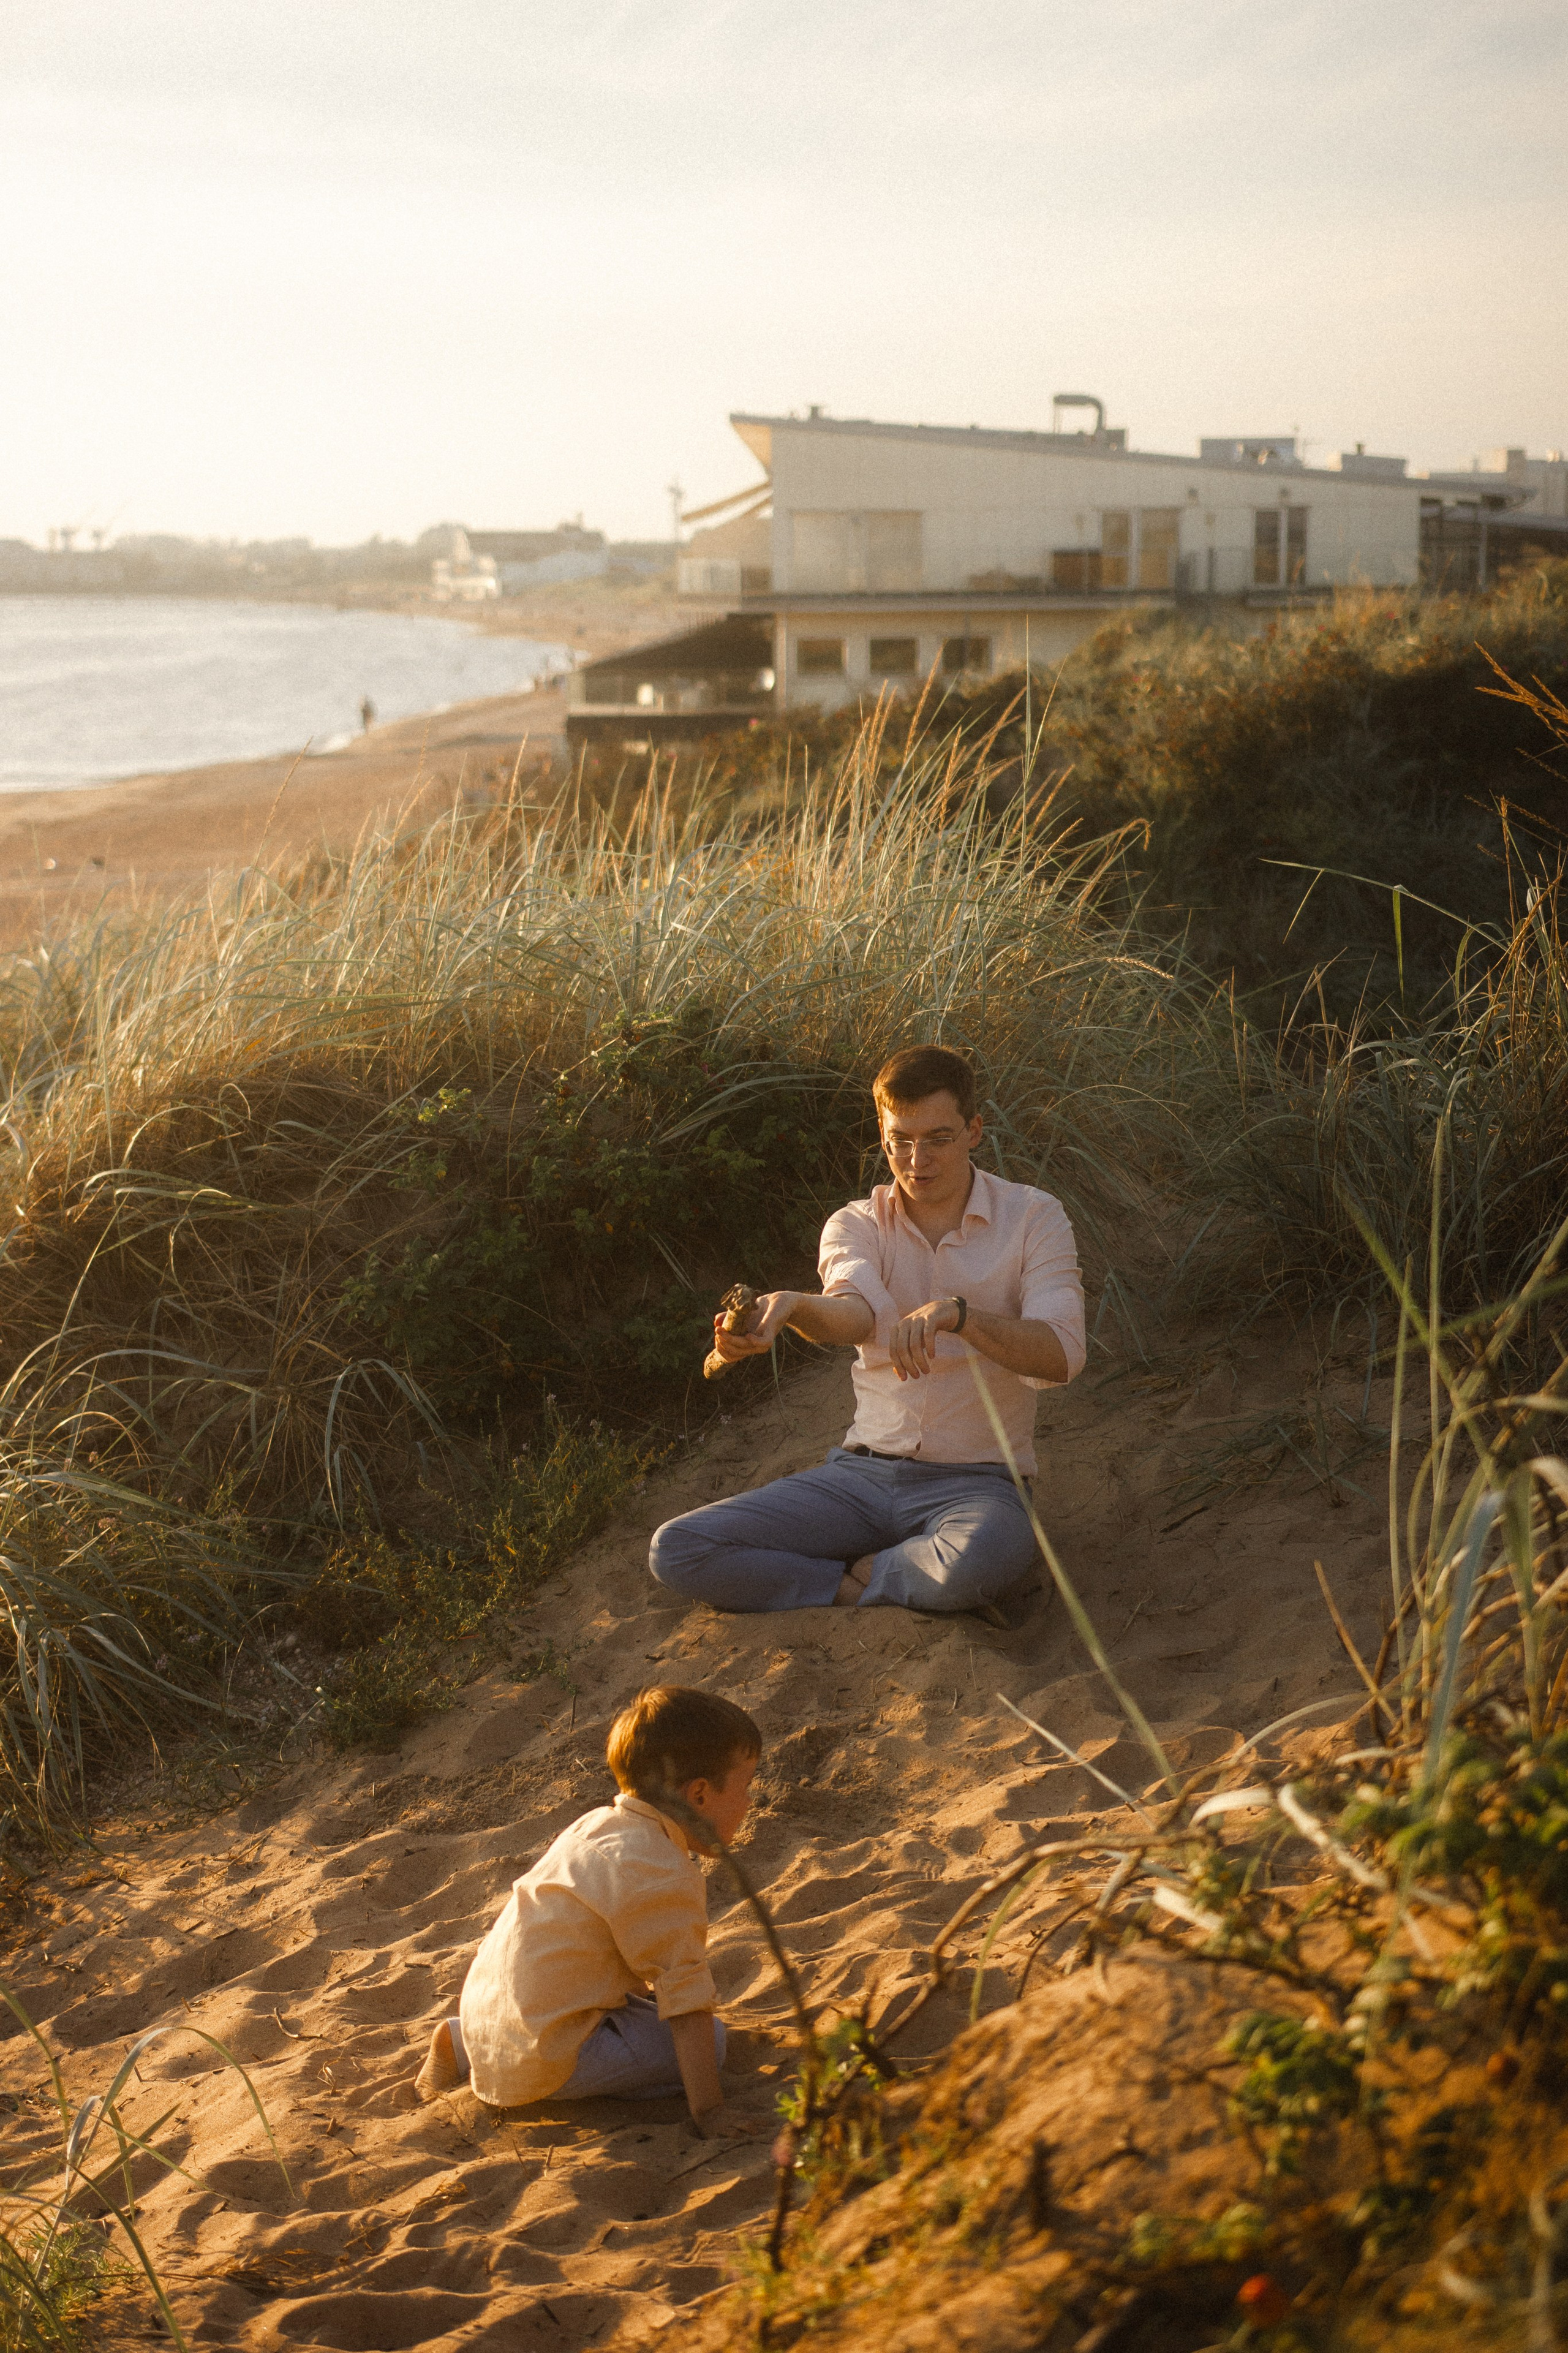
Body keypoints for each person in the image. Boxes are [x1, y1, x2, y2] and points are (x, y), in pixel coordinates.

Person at [649, 1044, 1084, 1617]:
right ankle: (861, 1582)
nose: (916, 1159)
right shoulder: (854, 1223)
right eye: (899, 1139)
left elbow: (1063, 1354)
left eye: (938, 1138)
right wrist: (791, 1306)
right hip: (861, 1476)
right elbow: (857, 1315)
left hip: (980, 1485)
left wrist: (959, 1315)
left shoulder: (1034, 1217)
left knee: (985, 1555)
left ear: (975, 1130)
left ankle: (892, 1569)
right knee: (677, 1548)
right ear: (881, 1133)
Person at [414, 1686, 760, 2136]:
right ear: (698, 1794)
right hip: (545, 2059)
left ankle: (461, 2039)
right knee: (710, 2043)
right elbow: (686, 1997)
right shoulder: (663, 1871)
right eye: (746, 1786)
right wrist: (711, 2112)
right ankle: (484, 2049)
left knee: (637, 2003)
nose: (751, 1802)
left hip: (493, 2014)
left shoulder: (594, 1826)